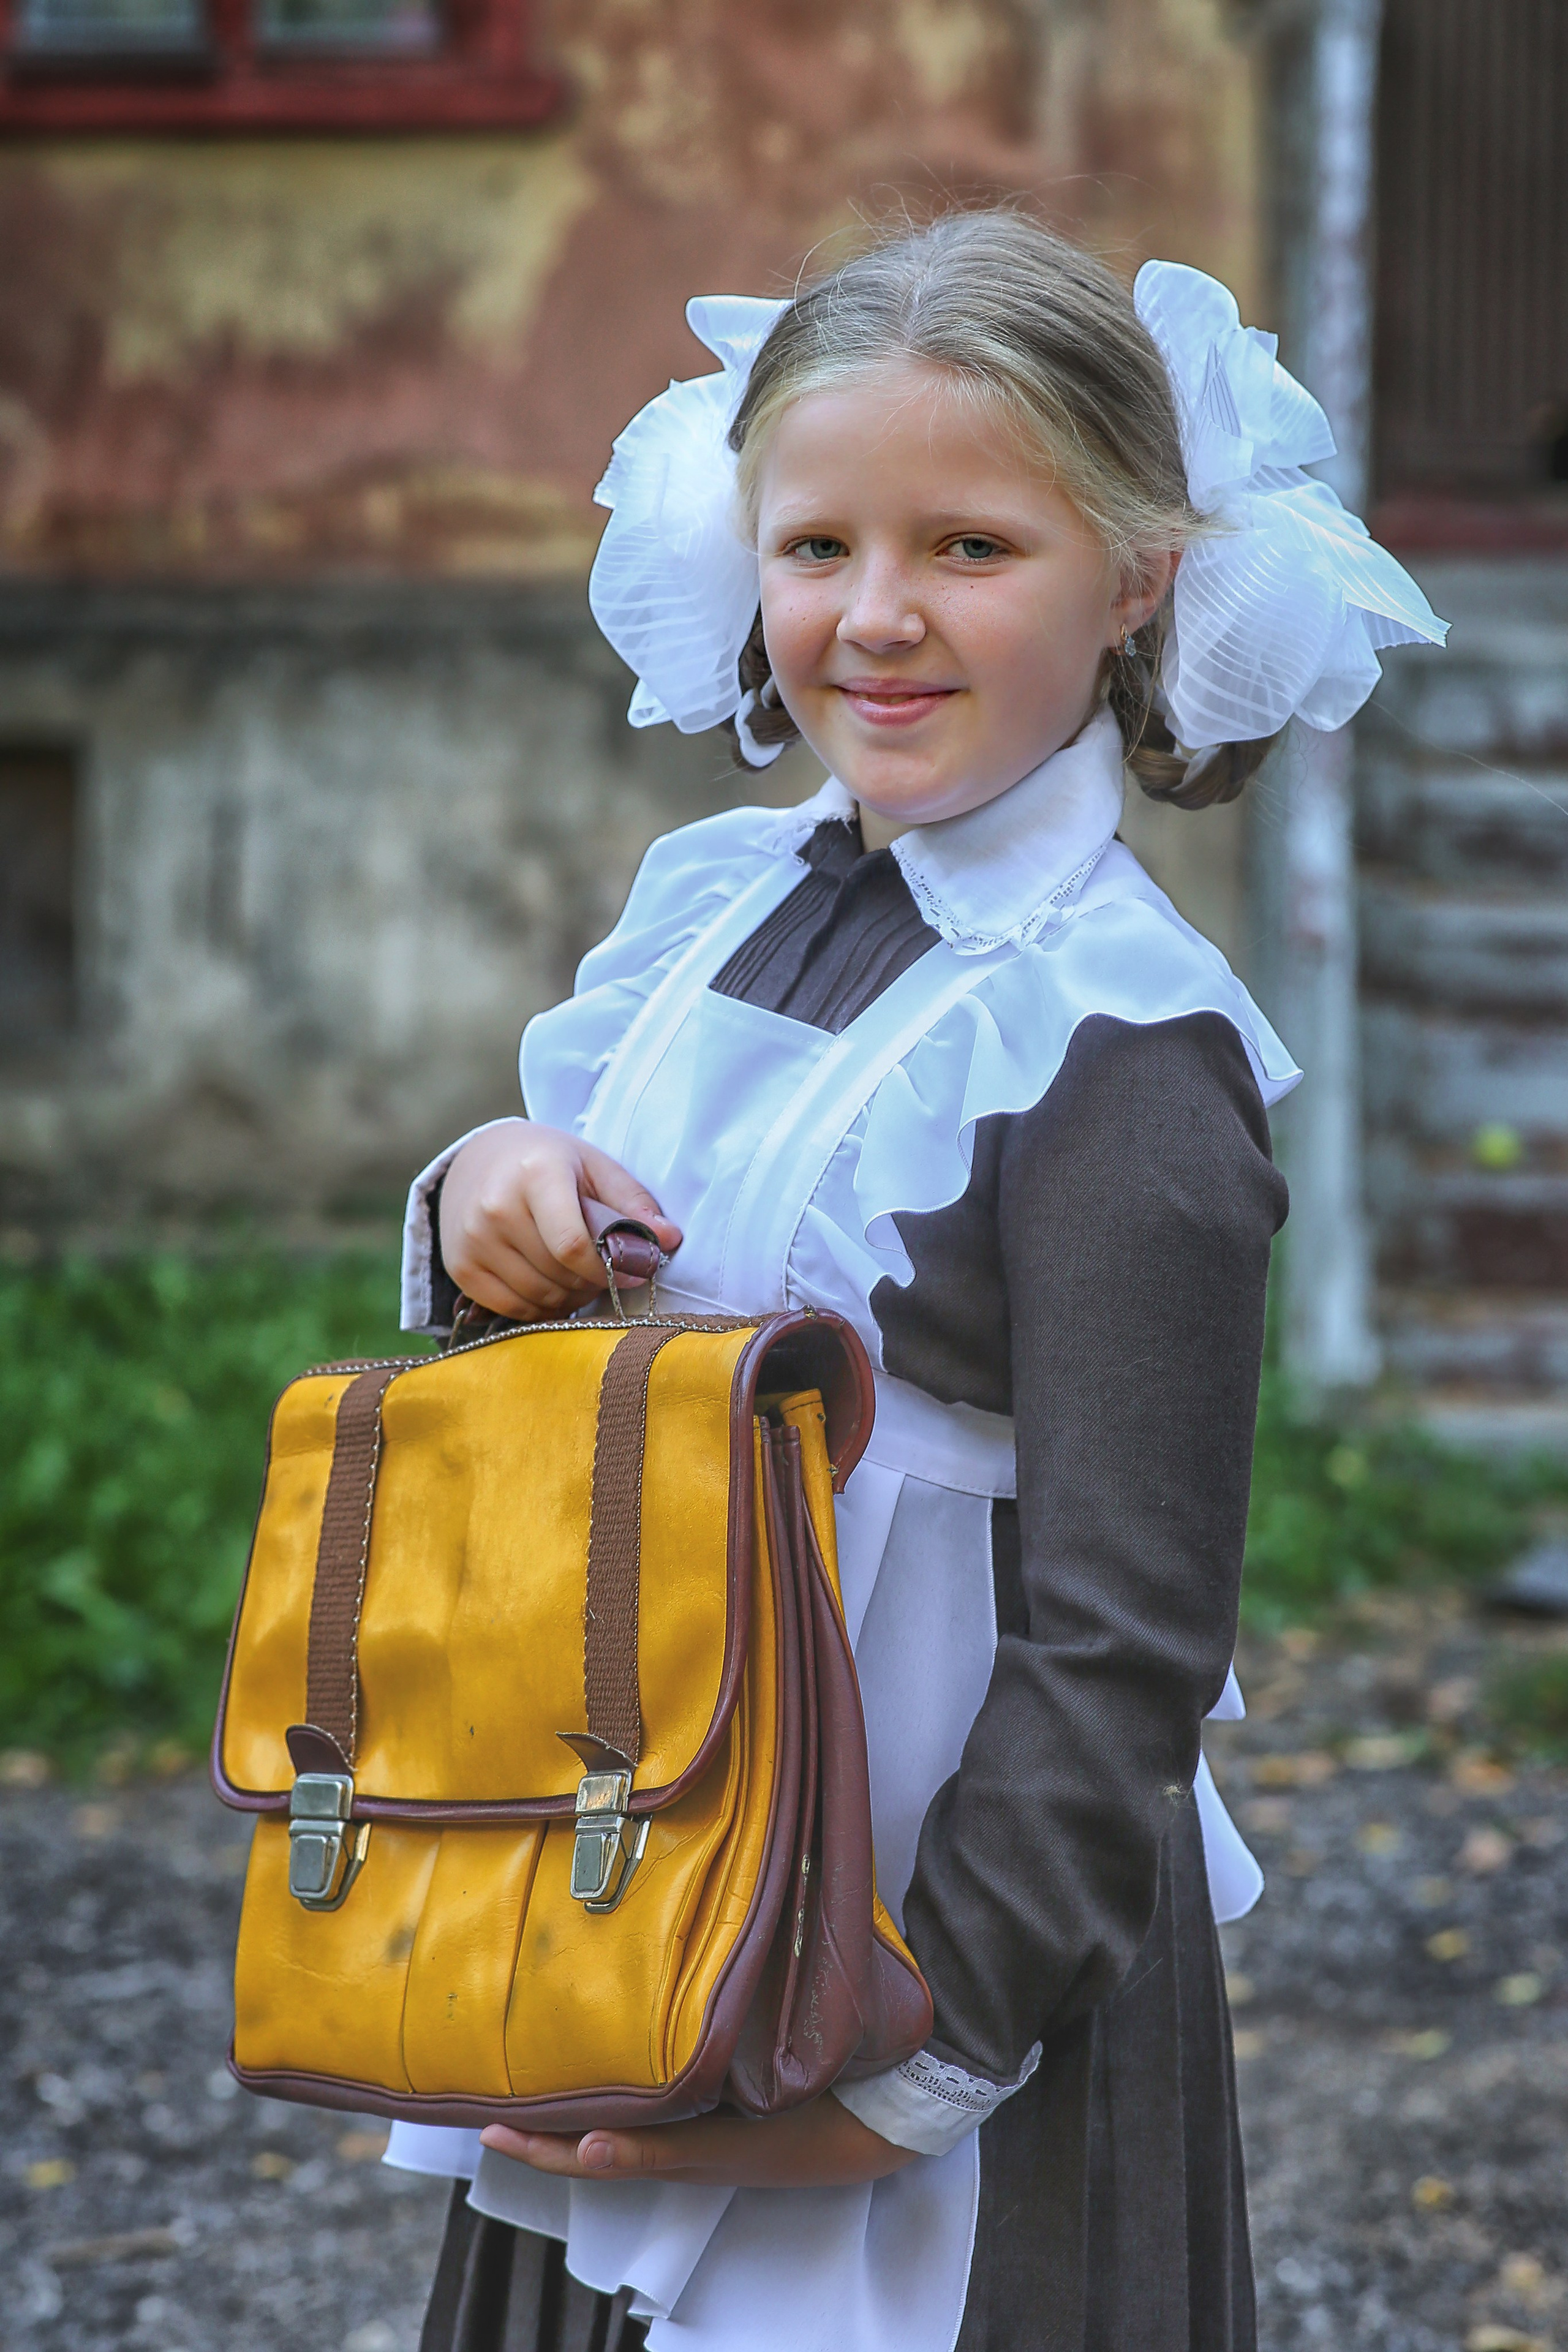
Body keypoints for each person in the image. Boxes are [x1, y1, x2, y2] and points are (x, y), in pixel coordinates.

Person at [387, 212, 1446, 2352]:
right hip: (624, 1880)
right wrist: (485, 1195)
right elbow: (572, 1366)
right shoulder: (717, 909)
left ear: (1138, 577)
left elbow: (1130, 1642)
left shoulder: (1123, 1052)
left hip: (916, 1964)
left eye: (972, 547)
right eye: (816, 548)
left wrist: (902, 2077)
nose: (875, 618)